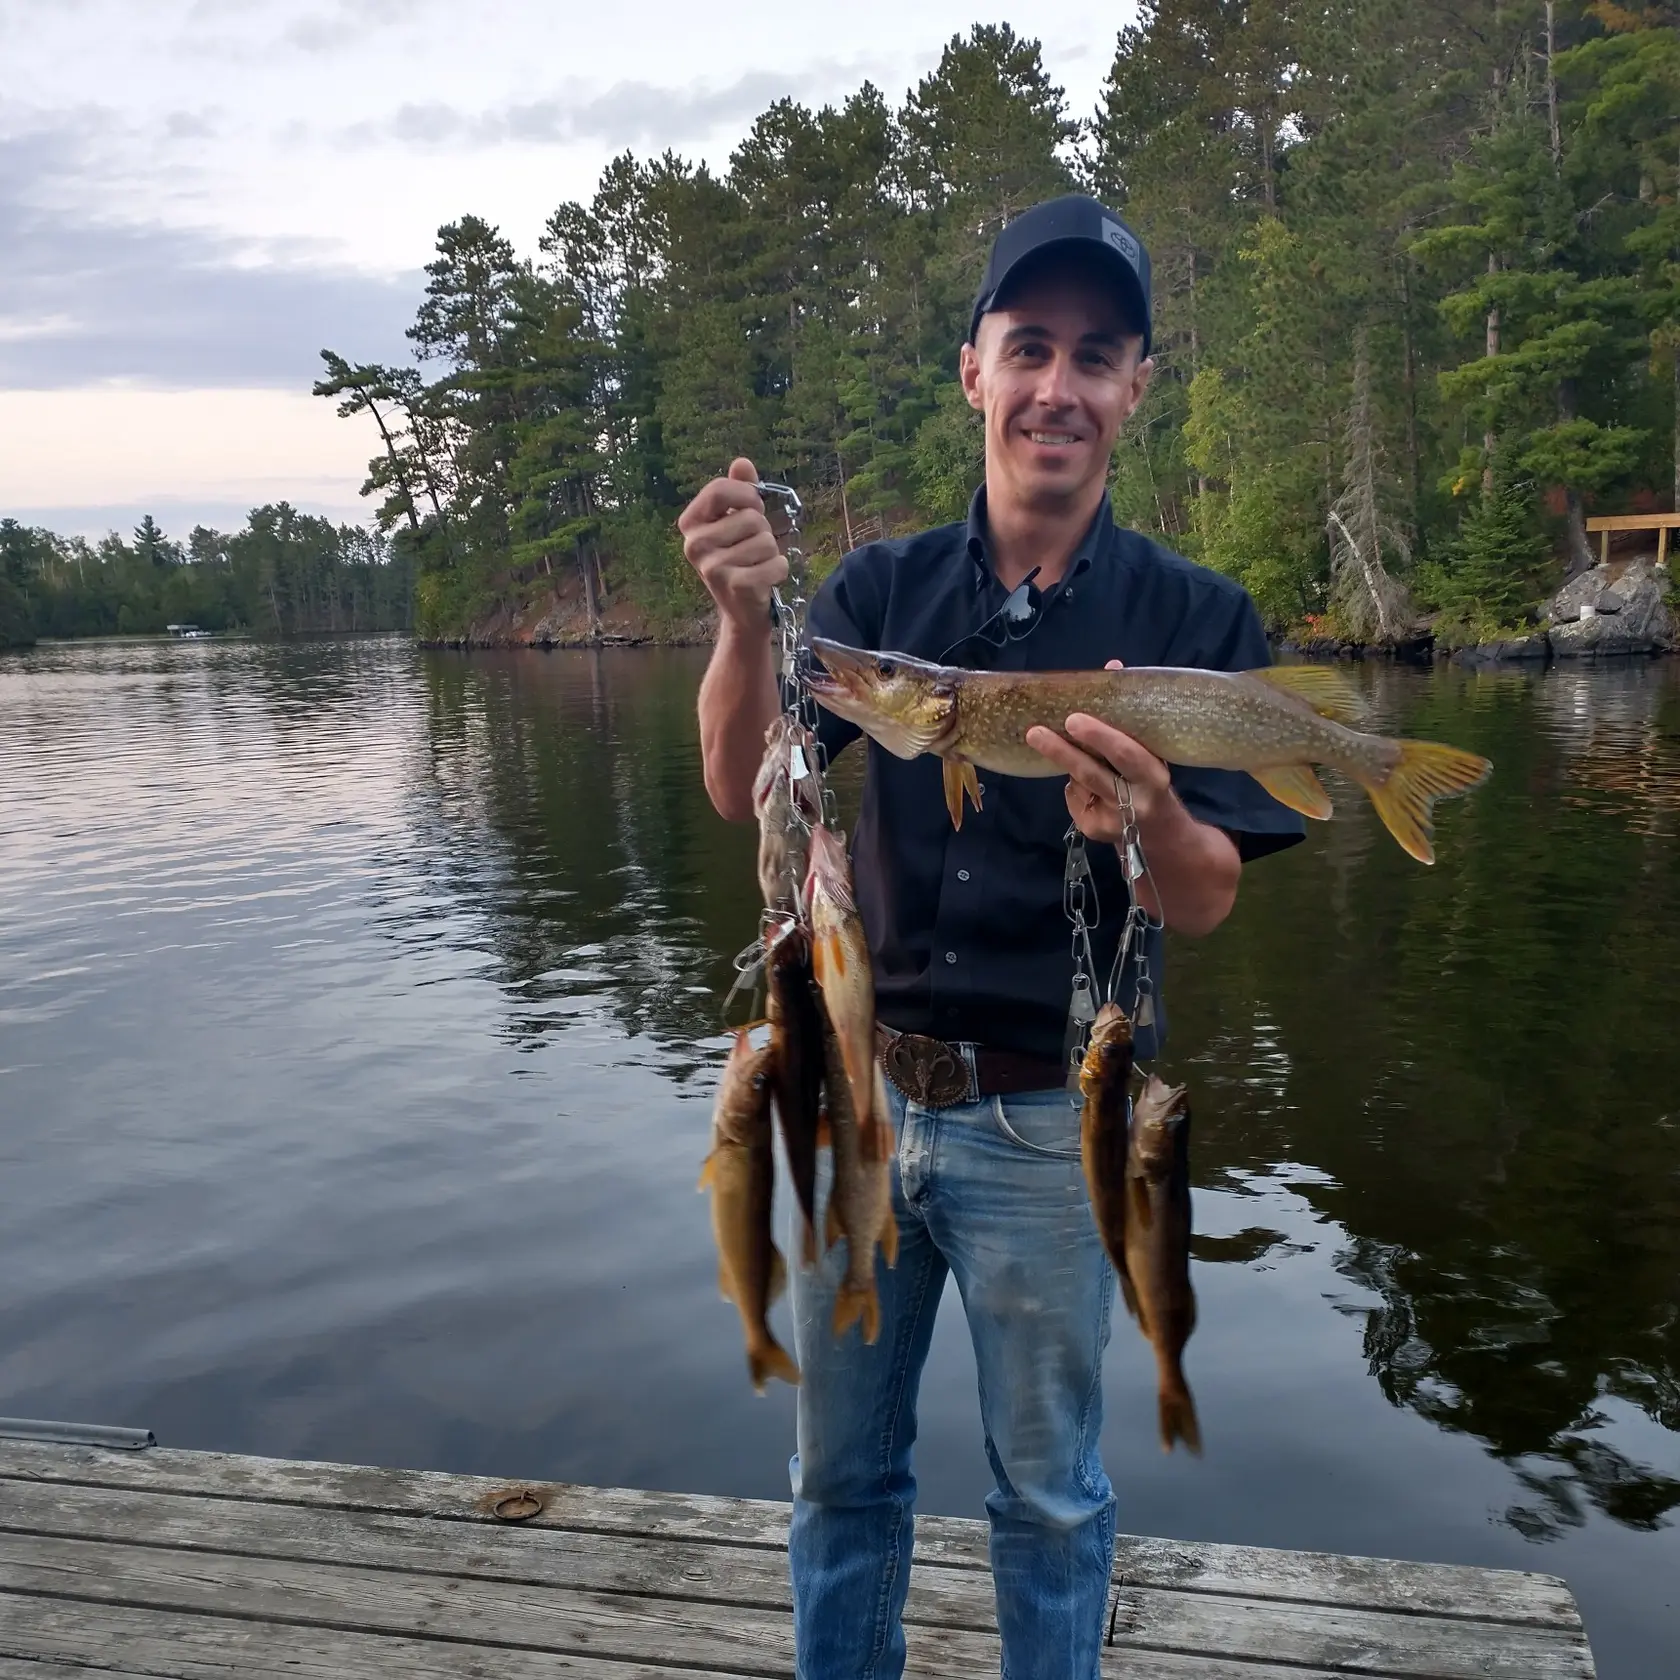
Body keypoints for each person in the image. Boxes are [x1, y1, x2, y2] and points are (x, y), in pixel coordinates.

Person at [679, 194, 1304, 1680]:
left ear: (1135, 387)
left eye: (1096, 355)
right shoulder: (883, 601)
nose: (1058, 386)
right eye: (1030, 347)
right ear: (975, 370)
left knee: (1048, 1498)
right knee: (841, 1484)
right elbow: (735, 785)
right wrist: (740, 621)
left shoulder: (1194, 617)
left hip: (1052, 1121)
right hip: (865, 1106)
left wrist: (1149, 814)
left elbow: (1205, 895)